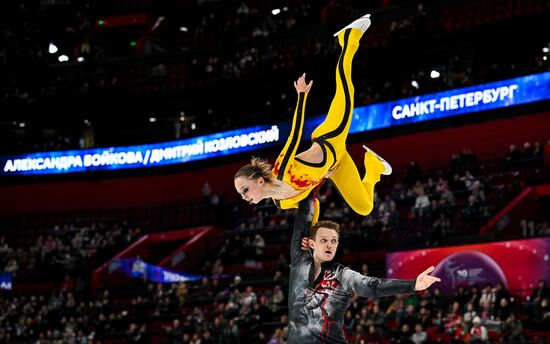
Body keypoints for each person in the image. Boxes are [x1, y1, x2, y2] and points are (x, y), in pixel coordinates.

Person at [234, 14, 391, 224]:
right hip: (337, 165)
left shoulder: (282, 170)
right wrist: (312, 232)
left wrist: (301, 97)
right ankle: (374, 166)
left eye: (244, 190)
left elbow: (295, 133)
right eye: (241, 194)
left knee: (346, 90)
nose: (243, 197)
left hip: (330, 140)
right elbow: (312, 203)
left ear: (260, 181)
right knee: (364, 207)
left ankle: (349, 38)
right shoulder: (281, 202)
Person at [287, 192, 441, 343]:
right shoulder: (300, 260)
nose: (329, 244)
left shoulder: (342, 275)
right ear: (312, 243)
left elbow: (372, 286)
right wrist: (313, 182)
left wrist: (412, 285)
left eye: (334, 241)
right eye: (324, 240)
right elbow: (304, 214)